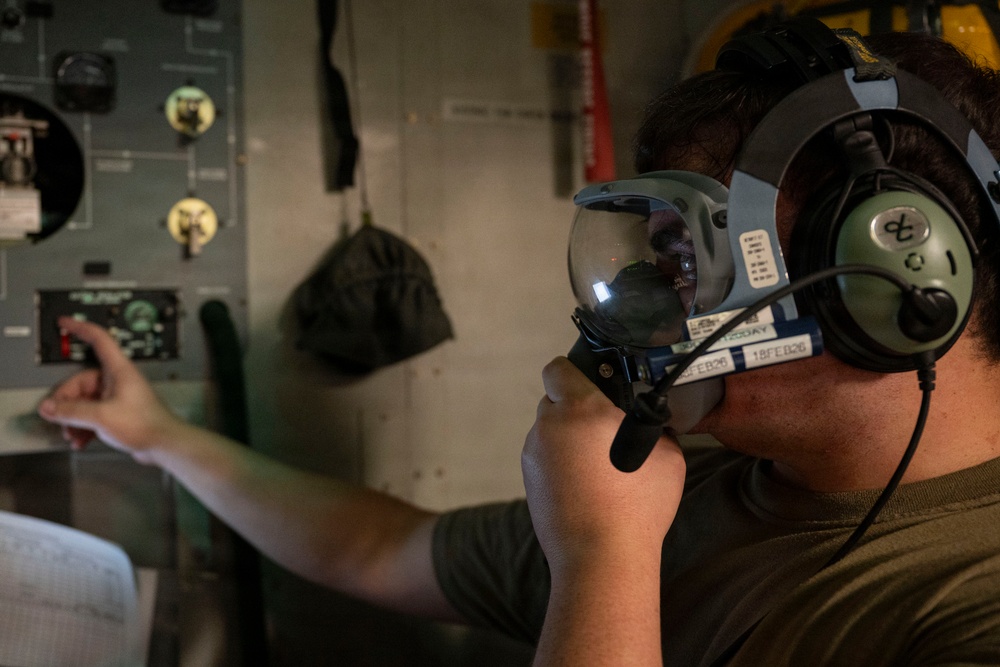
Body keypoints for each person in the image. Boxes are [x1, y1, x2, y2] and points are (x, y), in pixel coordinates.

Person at [38, 22, 1000, 666]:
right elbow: (379, 547)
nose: (645, 297)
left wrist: (599, 559)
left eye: (687, 254)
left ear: (899, 287)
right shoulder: (709, 486)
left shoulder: (972, 608)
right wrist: (157, 434)